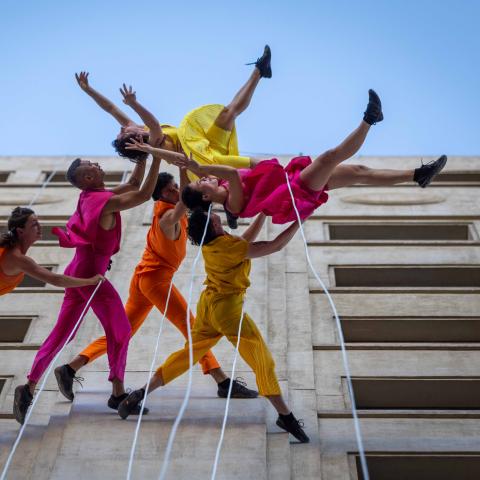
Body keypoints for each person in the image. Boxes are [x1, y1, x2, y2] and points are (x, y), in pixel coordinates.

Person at [12, 86, 164, 425]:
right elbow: (141, 195)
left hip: (79, 271)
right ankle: (117, 392)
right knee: (121, 330)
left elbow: (133, 184)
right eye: (92, 164)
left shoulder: (93, 197)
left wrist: (143, 158)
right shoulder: (100, 201)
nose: (97, 162)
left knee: (61, 334)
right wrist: (157, 155)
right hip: (89, 277)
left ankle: (30, 385)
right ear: (88, 176)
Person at [56, 167, 257, 413]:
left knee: (124, 331)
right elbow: (186, 196)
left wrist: (184, 165)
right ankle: (222, 381)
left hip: (144, 278)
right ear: (161, 196)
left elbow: (186, 193)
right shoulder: (166, 216)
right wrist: (183, 171)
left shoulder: (174, 211)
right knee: (193, 329)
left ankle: (71, 367)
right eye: (169, 189)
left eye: (175, 187)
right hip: (155, 281)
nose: (175, 190)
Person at [117, 210, 310, 443]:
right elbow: (275, 246)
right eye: (215, 217)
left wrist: (264, 214)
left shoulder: (215, 243)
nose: (217, 215)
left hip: (208, 305)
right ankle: (285, 416)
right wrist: (299, 220)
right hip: (228, 312)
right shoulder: (227, 246)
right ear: (214, 226)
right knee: (262, 361)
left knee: (187, 354)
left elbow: (244, 240)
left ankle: (140, 393)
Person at [134, 90, 446, 224]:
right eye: (204, 186)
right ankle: (369, 119)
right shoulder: (233, 203)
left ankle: (417, 176)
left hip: (292, 180)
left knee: (357, 171)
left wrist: (172, 158)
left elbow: (240, 170)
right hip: (297, 189)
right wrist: (185, 163)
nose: (206, 181)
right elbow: (228, 173)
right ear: (207, 197)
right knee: (327, 158)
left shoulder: (226, 190)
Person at [0, 207, 103, 296]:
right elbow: (57, 280)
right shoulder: (17, 258)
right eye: (34, 224)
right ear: (20, 231)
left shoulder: (13, 255)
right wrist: (91, 281)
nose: (40, 227)